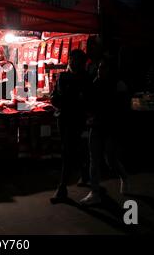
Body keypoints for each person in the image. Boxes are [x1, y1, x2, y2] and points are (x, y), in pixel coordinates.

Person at [80, 57, 130, 206]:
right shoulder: (95, 83)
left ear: (110, 69)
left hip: (111, 127)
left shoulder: (119, 85)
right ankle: (95, 192)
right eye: (99, 67)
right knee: (94, 159)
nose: (100, 70)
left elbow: (122, 108)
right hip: (96, 126)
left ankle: (124, 177)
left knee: (111, 160)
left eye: (103, 68)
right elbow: (90, 103)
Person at [50, 49, 92, 203]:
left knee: (67, 151)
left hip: (77, 119)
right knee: (73, 148)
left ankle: (62, 188)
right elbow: (56, 96)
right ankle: (85, 171)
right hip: (63, 118)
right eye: (71, 60)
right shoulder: (63, 76)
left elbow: (85, 100)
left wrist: (67, 100)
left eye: (77, 61)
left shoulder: (86, 78)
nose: (73, 63)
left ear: (82, 63)